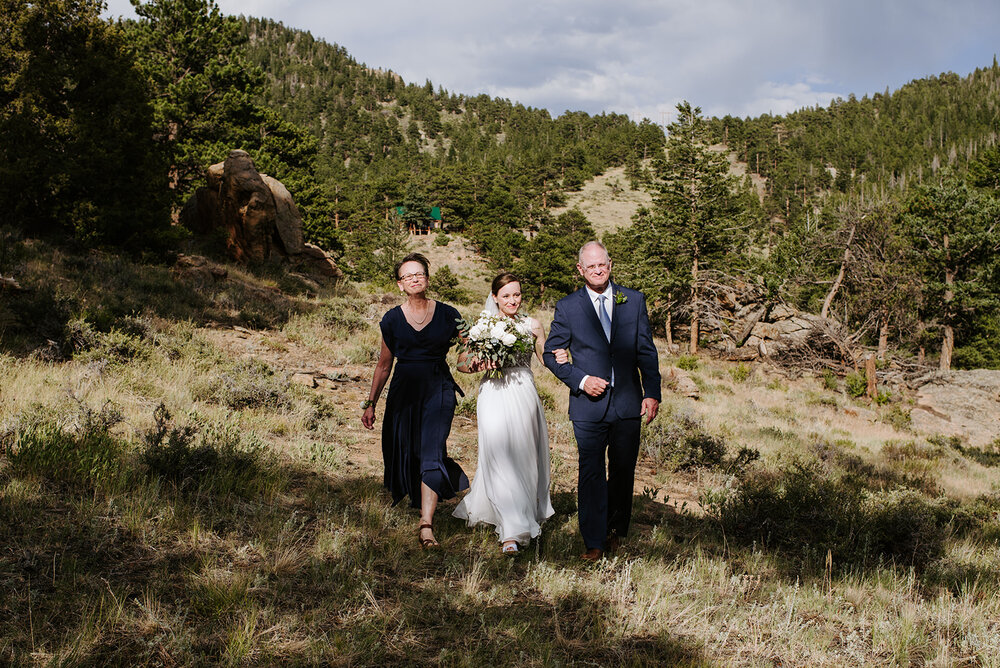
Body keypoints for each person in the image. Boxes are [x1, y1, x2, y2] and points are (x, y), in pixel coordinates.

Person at [543, 241, 661, 561]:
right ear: (580, 270)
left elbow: (646, 351)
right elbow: (550, 355)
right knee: (591, 471)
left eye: (602, 265)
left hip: (627, 403)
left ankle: (614, 533)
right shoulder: (568, 307)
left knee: (622, 471)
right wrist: (581, 379)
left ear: (610, 264)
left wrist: (652, 393)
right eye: (591, 266)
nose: (598, 271)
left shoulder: (633, 300)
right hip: (588, 406)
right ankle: (593, 541)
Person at [361, 253, 468, 549]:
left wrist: (470, 360)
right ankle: (428, 493)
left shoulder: (449, 314)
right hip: (403, 392)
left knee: (432, 450)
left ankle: (426, 524)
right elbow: (384, 364)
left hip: (439, 389)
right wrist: (370, 403)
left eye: (419, 274)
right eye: (408, 276)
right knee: (410, 452)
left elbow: (468, 347)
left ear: (428, 279)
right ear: (400, 284)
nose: (414, 279)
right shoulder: (392, 319)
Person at [453, 273, 555, 554]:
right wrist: (478, 364)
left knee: (523, 456)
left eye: (517, 294)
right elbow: (462, 363)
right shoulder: (483, 325)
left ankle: (523, 512)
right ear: (495, 296)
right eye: (506, 295)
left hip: (523, 392)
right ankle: (511, 531)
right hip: (493, 394)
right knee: (497, 454)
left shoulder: (532, 325)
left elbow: (545, 359)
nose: (512, 300)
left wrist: (559, 356)